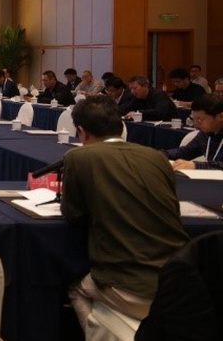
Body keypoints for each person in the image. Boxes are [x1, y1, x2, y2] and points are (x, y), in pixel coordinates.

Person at [62, 95, 188, 329]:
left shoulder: (79, 157)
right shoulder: (156, 157)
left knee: (74, 287)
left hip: (130, 287)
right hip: (181, 280)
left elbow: (73, 214)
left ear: (81, 132)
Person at [164, 94, 223, 171]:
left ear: (221, 116)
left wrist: (195, 165)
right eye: (194, 119)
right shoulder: (205, 134)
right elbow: (185, 152)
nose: (195, 125)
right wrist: (159, 155)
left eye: (200, 120)